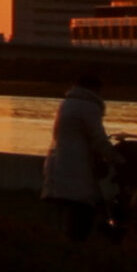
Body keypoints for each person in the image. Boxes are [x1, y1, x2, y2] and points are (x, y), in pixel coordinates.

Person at [41, 70, 114, 240]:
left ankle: (66, 244)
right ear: (95, 89)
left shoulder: (67, 103)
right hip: (76, 168)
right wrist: (116, 157)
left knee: (67, 211)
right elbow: (98, 139)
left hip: (59, 164)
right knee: (82, 212)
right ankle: (77, 246)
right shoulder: (88, 106)